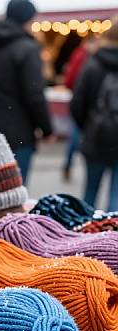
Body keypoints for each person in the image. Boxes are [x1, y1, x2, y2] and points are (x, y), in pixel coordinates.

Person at [0, 0, 52, 185]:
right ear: (27, 19)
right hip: (19, 133)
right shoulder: (27, 49)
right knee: (17, 193)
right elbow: (35, 95)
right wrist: (47, 129)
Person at [71, 20, 118, 211]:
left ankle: (88, 234)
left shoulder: (93, 63)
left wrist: (88, 125)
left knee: (90, 192)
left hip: (95, 136)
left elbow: (77, 103)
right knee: (116, 195)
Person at [62, 35, 98, 181]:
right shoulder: (90, 58)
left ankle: (69, 164)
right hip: (97, 109)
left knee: (76, 134)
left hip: (83, 103)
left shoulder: (82, 56)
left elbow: (70, 79)